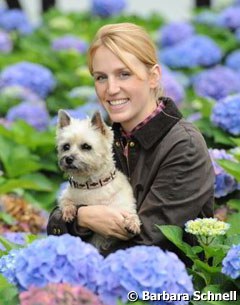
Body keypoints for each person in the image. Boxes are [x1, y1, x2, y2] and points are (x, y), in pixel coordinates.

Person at [47, 22, 214, 261]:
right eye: (101, 77)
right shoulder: (102, 137)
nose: (111, 89)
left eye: (124, 74)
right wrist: (82, 218)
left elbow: (149, 238)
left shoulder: (182, 145)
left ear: (153, 76)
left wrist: (79, 251)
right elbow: (59, 223)